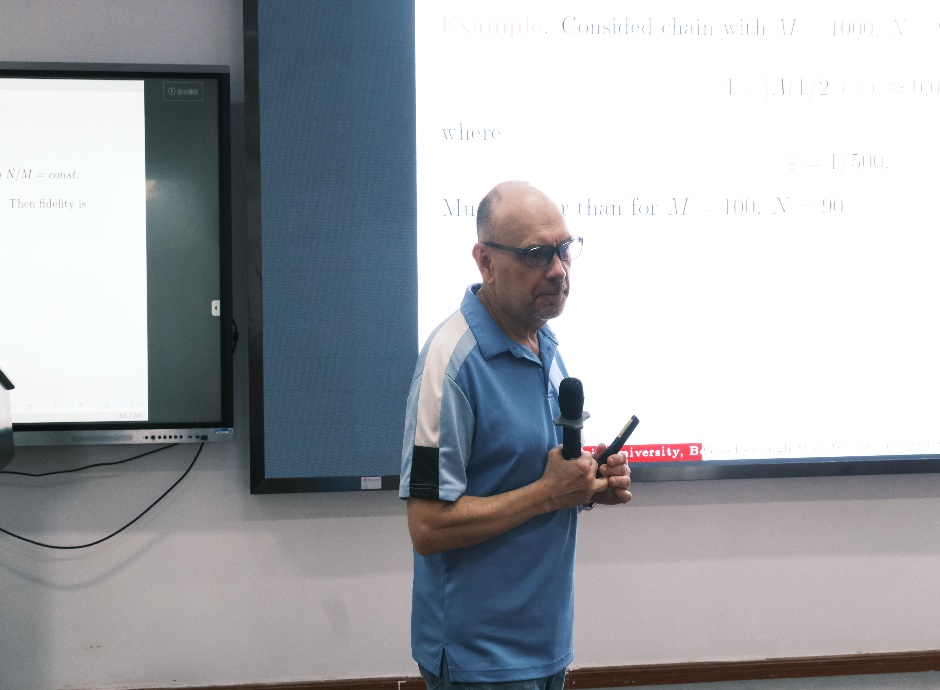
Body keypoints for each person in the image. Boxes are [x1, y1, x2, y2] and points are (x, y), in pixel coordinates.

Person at [399, 180, 632, 689]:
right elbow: (428, 527)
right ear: (485, 261)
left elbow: (527, 476)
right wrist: (548, 493)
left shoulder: (544, 342)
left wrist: (586, 485)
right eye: (536, 254)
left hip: (546, 645)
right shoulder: (450, 363)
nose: (558, 269)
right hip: (479, 659)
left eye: (564, 249)